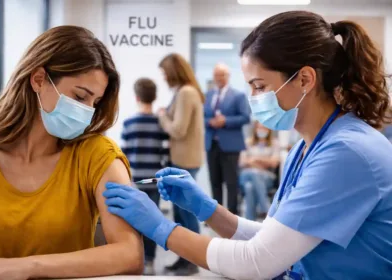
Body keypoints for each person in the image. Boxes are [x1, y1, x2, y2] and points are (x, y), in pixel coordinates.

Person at [103, 11, 392, 279]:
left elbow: (257, 261)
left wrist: (161, 228)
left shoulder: (346, 152)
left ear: (305, 79)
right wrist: (208, 210)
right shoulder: (305, 149)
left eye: (260, 86)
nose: (254, 98)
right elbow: (273, 237)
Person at [0, 26, 143, 279]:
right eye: (80, 96)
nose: (87, 112)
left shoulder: (97, 156)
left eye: (94, 102)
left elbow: (130, 255)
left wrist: (27, 267)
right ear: (38, 79)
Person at [156, 53, 205, 275]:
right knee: (179, 213)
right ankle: (184, 257)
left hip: (186, 160)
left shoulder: (186, 92)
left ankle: (193, 260)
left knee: (186, 213)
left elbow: (178, 129)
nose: (164, 77)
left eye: (165, 72)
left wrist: (162, 116)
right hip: (182, 159)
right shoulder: (184, 92)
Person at [121, 78, 169, 275]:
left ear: (137, 97)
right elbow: (165, 154)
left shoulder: (129, 123)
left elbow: (123, 155)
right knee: (152, 219)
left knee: (133, 221)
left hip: (135, 180)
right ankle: (149, 261)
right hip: (154, 179)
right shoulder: (161, 125)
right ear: (155, 97)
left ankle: (134, 259)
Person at [204, 63, 250, 215]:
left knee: (231, 182)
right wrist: (210, 122)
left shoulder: (238, 96)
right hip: (212, 144)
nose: (219, 78)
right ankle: (217, 216)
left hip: (231, 145)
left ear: (228, 76)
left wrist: (226, 121)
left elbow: (245, 117)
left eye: (222, 75)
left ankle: (233, 216)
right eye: (216, 75)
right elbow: (202, 118)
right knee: (214, 181)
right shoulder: (209, 95)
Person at [239, 121, 280, 220]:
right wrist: (264, 162)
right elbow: (242, 162)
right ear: (255, 129)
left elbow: (274, 162)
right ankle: (266, 209)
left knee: (250, 187)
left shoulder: (274, 143)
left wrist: (255, 160)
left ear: (269, 130)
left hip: (267, 177)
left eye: (264, 128)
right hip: (246, 175)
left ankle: (250, 221)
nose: (261, 130)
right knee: (253, 174)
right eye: (259, 128)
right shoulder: (248, 142)